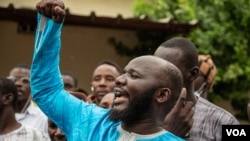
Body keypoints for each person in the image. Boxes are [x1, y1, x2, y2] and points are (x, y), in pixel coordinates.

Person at [31, 1, 186, 140]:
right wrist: (49, 25)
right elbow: (46, 90)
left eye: (134, 76)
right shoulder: (88, 120)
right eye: (124, 73)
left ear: (162, 94)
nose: (120, 79)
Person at [154, 37, 240, 141]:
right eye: (155, 69)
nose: (157, 76)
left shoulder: (223, 121)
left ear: (193, 74)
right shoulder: (140, 115)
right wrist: (168, 134)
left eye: (168, 70)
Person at [7, 64, 48, 135]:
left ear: (34, 86)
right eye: (13, 80)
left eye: (25, 81)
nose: (17, 84)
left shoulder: (43, 117)